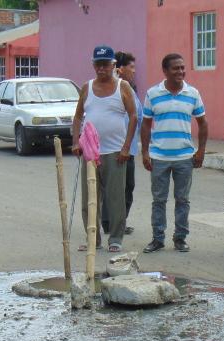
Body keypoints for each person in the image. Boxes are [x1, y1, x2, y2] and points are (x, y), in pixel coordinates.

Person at [71, 45, 138, 253]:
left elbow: (134, 116)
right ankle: (93, 238)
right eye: (97, 65)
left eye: (105, 65)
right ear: (93, 65)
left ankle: (115, 239)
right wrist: (75, 142)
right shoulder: (87, 87)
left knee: (115, 198)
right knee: (90, 198)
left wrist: (127, 147)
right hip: (90, 153)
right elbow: (78, 116)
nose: (101, 69)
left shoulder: (123, 87)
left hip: (115, 152)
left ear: (113, 65)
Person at [141, 53, 208, 253]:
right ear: (165, 71)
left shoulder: (193, 93)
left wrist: (201, 151)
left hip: (184, 157)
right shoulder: (153, 94)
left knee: (182, 200)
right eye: (175, 68)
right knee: (159, 200)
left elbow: (203, 123)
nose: (180, 72)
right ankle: (158, 239)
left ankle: (180, 238)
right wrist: (145, 152)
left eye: (182, 68)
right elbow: (145, 125)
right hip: (159, 157)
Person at [112, 51, 142, 235]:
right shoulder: (116, 88)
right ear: (120, 70)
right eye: (131, 67)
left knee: (127, 187)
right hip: (119, 146)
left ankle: (119, 221)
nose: (134, 71)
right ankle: (113, 223)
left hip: (129, 147)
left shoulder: (130, 88)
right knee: (118, 187)